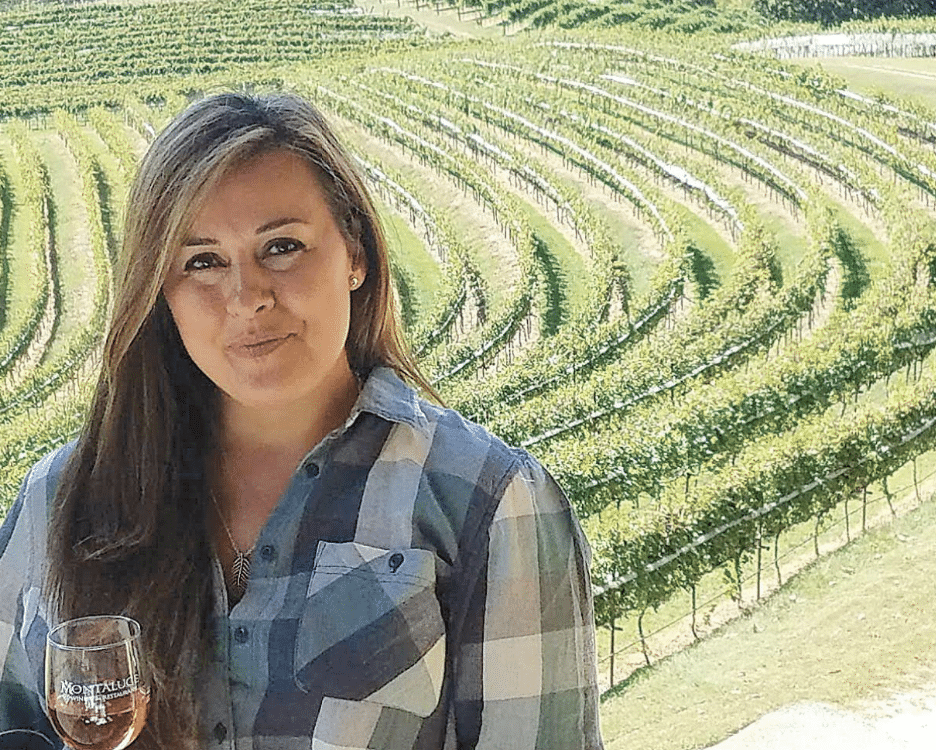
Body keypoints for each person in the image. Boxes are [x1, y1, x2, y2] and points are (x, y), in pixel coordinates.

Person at [0, 92, 603, 749]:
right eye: (201, 261)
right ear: (159, 294)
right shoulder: (58, 499)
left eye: (282, 246)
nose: (247, 296)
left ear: (355, 255)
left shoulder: (487, 501)